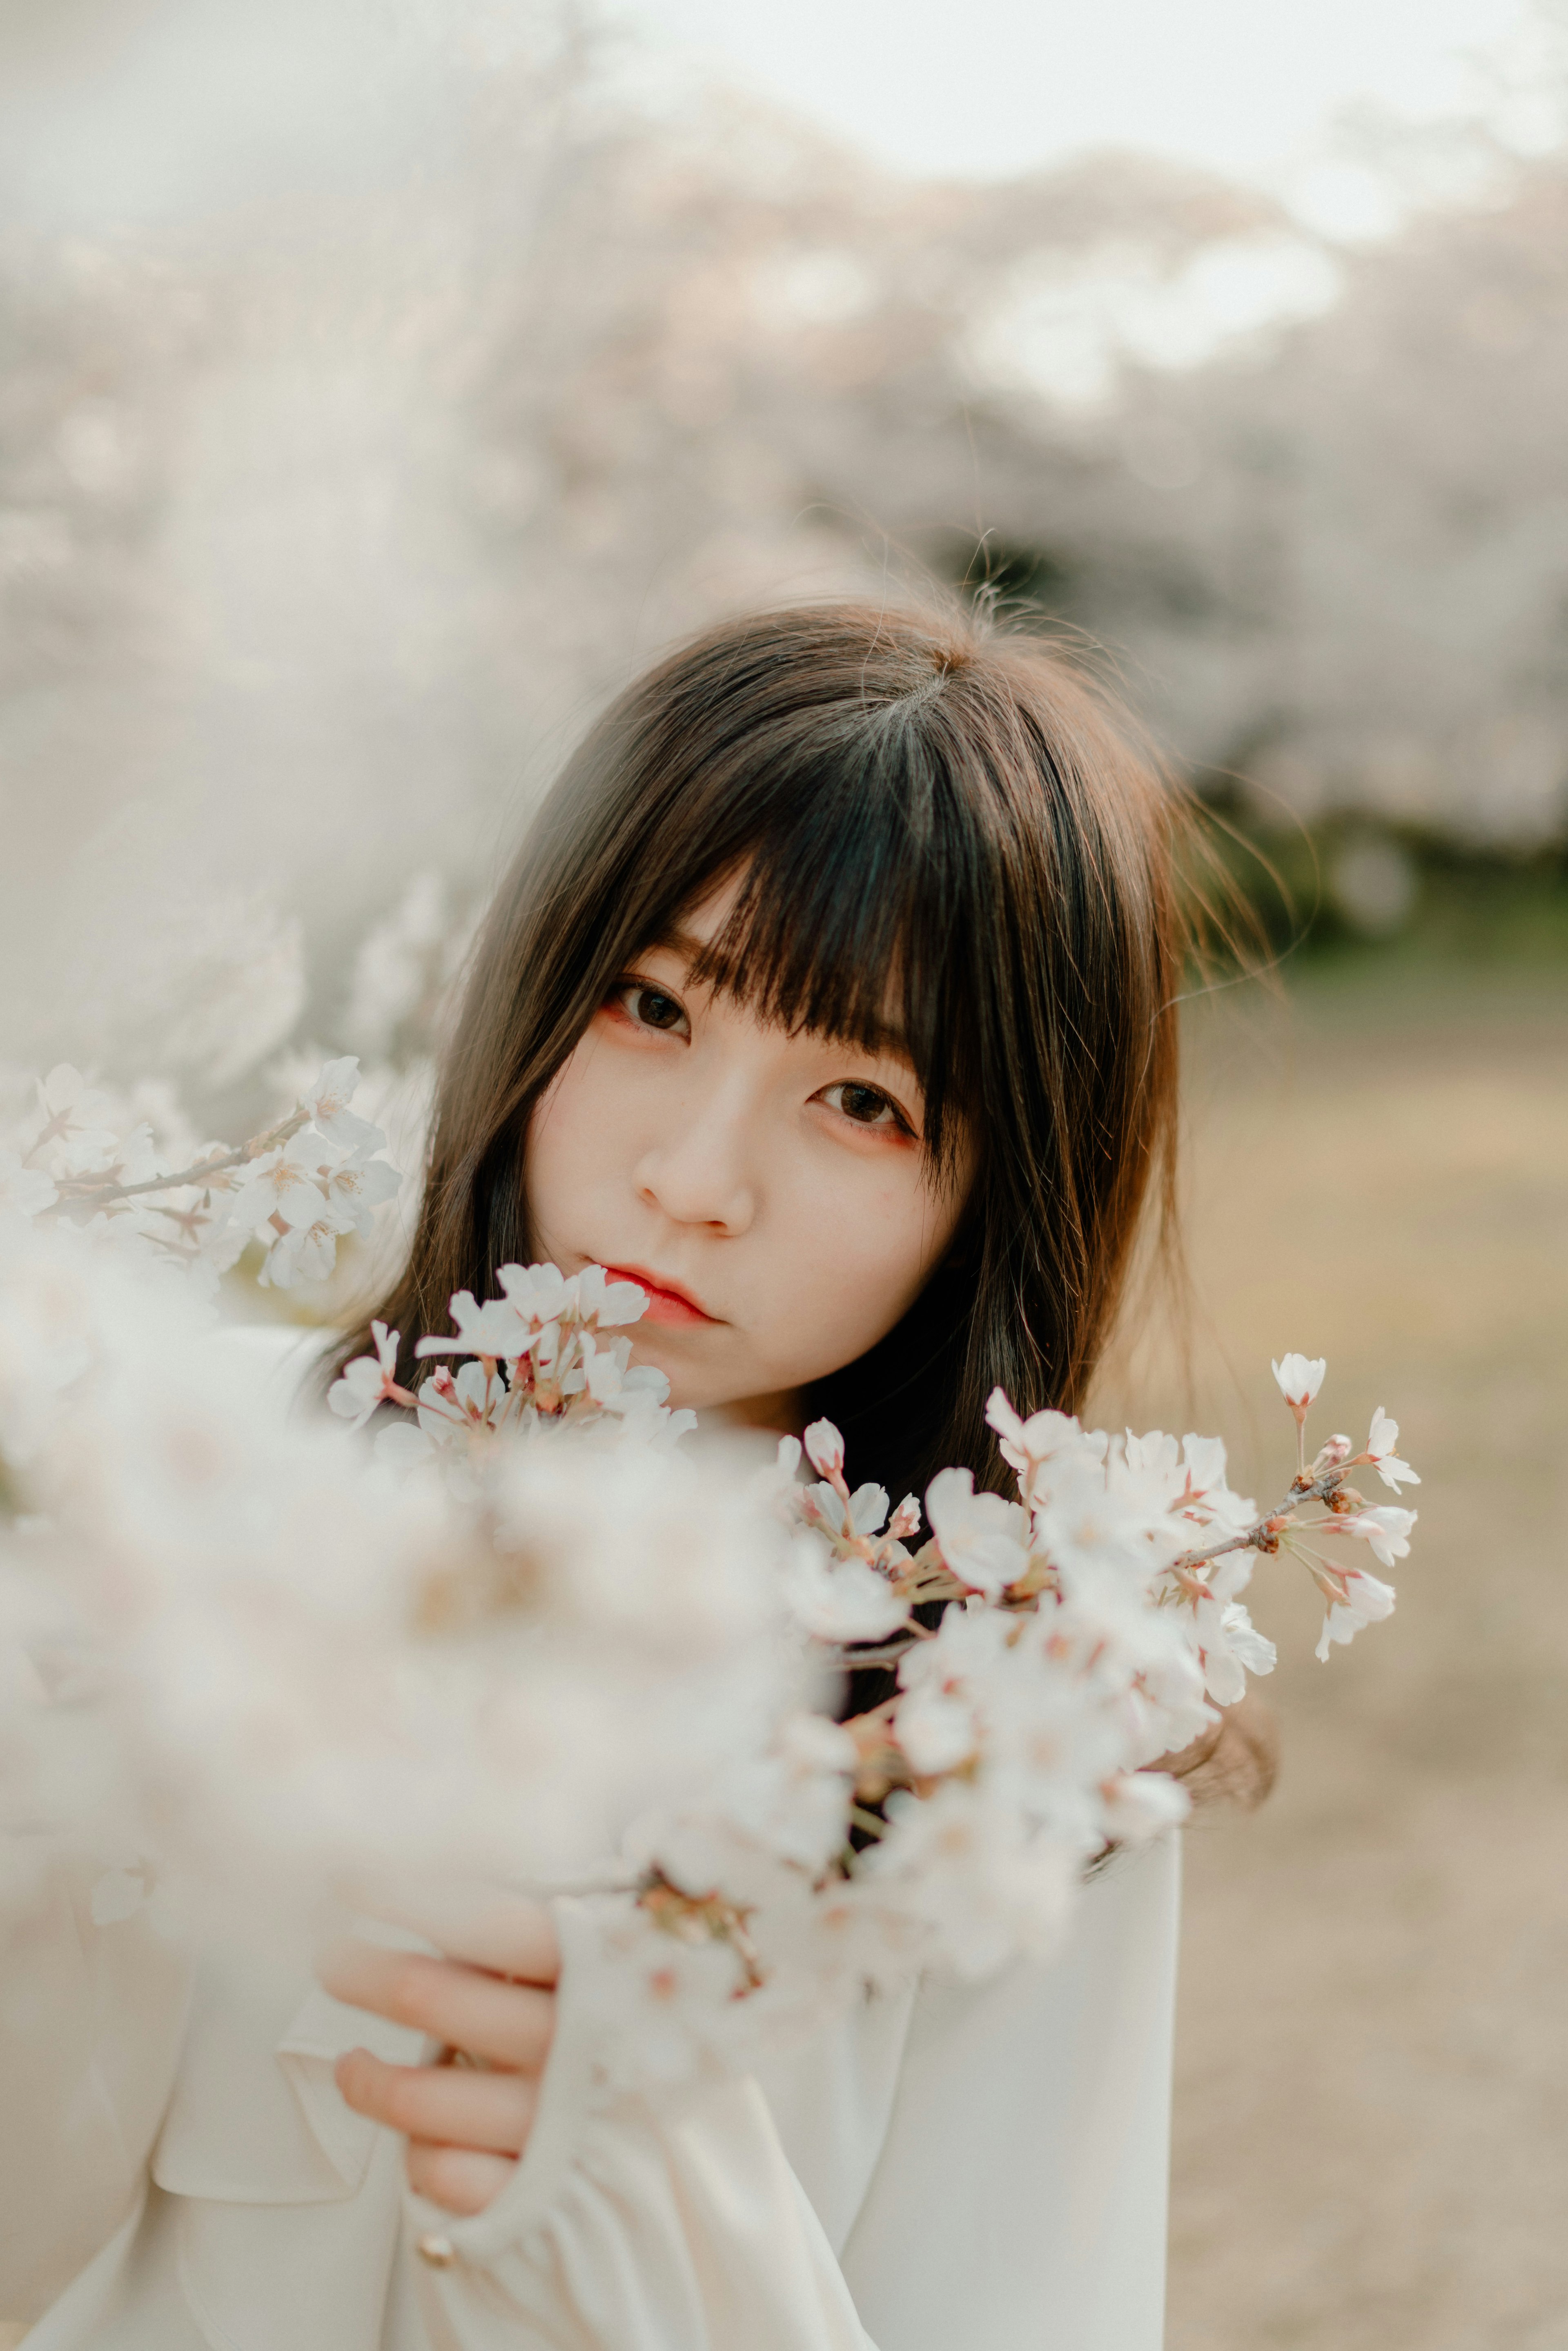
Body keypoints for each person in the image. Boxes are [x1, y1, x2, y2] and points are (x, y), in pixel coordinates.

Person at [0, 599, 1271, 2351]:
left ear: (1000, 1198)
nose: (694, 1177)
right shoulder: (178, 1470)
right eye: (652, 1004)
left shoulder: (1016, 1710)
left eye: (863, 1104)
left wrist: (650, 2165)